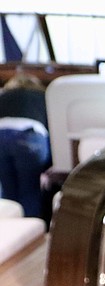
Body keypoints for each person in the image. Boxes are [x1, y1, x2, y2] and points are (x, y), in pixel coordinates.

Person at [0, 72, 50, 220]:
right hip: (30, 136)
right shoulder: (43, 97)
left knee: (8, 194)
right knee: (30, 191)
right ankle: (31, 234)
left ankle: (9, 233)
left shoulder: (3, 96)